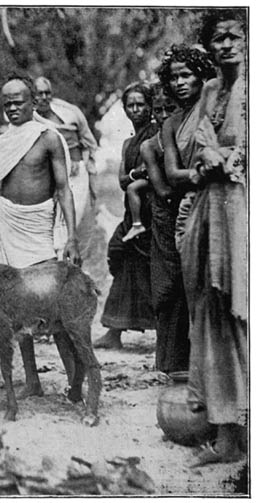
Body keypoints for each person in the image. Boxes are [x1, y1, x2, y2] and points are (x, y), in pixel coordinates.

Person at [0, 69, 81, 397]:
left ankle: (75, 382)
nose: (13, 108)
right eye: (7, 104)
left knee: (55, 307)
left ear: (33, 103)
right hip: (7, 226)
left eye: (19, 102)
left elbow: (63, 189)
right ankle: (32, 381)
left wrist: (72, 236)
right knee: (17, 310)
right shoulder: (0, 144)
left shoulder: (48, 137)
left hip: (39, 229)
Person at [180, 10, 247, 467]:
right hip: (212, 209)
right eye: (217, 38)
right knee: (213, 311)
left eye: (234, 36)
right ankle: (227, 437)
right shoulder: (209, 90)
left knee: (246, 309)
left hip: (245, 209)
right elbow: (197, 141)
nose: (225, 45)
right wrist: (212, 155)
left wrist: (228, 157)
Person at [151, 46, 216, 373]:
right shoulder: (172, 123)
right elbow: (173, 172)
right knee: (190, 284)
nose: (179, 83)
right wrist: (199, 172)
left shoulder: (215, 108)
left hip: (221, 199)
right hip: (189, 206)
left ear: (202, 75)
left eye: (186, 75)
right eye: (173, 77)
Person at [93, 83, 157, 350]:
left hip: (154, 211)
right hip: (133, 214)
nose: (135, 109)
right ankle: (114, 330)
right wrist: (135, 174)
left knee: (152, 270)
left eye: (140, 104)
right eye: (130, 105)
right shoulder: (129, 143)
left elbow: (152, 174)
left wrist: (135, 176)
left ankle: (165, 332)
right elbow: (122, 180)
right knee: (119, 255)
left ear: (150, 106)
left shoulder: (156, 134)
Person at [140, 83, 188, 373]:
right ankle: (169, 361)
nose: (162, 114)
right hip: (166, 215)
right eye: (157, 109)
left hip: (185, 209)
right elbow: (162, 187)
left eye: (169, 108)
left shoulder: (187, 136)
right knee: (168, 286)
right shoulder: (150, 146)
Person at [33, 76, 99, 233]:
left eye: (47, 93)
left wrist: (81, 160)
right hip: (47, 176)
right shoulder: (30, 118)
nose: (44, 98)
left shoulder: (69, 112)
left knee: (74, 215)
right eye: (39, 93)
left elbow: (88, 141)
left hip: (76, 173)